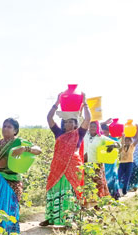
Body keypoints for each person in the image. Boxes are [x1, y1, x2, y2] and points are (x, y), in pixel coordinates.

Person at [39, 93, 90, 227]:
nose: (67, 123)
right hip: (57, 166)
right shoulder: (58, 133)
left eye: (70, 121)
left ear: (75, 124)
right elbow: (49, 117)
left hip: (72, 167)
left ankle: (69, 220)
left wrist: (85, 104)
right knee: (54, 189)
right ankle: (51, 218)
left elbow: (88, 119)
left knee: (69, 191)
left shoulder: (79, 133)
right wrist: (56, 103)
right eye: (65, 121)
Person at [0, 118, 42, 235]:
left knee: (5, 209)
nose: (5, 129)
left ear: (15, 131)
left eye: (9, 127)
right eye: (4, 126)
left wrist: (25, 149)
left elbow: (38, 150)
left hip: (10, 180)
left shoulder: (18, 142)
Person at [83, 119, 117, 198]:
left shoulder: (101, 138)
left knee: (98, 184)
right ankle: (87, 204)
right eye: (91, 126)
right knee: (86, 184)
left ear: (97, 127)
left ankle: (98, 204)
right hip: (85, 164)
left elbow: (117, 144)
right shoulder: (85, 135)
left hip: (97, 165)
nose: (92, 128)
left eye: (94, 126)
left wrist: (112, 146)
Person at [100, 123, 121, 199]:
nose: (105, 133)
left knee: (113, 176)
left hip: (112, 162)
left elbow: (119, 145)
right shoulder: (100, 139)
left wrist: (113, 145)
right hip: (103, 161)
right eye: (103, 132)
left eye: (106, 131)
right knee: (104, 177)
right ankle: (106, 195)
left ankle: (115, 194)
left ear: (109, 131)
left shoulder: (113, 139)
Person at [117, 131, 138, 196]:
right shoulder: (122, 147)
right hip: (122, 164)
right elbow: (122, 142)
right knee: (118, 177)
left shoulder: (132, 146)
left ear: (131, 141)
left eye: (128, 141)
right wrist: (123, 136)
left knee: (127, 177)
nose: (127, 142)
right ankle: (116, 190)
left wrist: (137, 130)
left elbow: (137, 138)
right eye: (126, 141)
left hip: (129, 164)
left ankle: (124, 189)